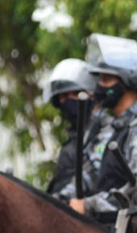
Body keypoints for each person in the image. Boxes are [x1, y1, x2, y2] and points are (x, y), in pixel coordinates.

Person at [57, 34, 137, 223]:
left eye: (106, 80)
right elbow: (90, 171)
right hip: (110, 228)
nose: (99, 86)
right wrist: (57, 201)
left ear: (128, 82)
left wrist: (88, 205)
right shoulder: (116, 126)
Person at [43, 58, 103, 196]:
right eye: (62, 97)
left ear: (91, 94)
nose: (66, 101)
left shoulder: (105, 132)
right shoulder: (74, 140)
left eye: (75, 94)